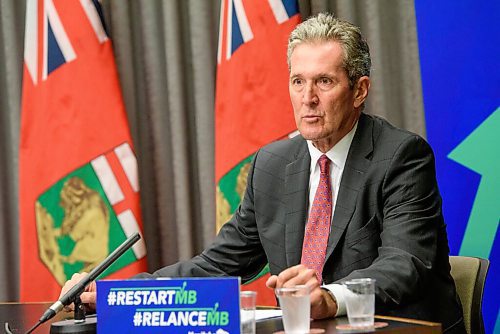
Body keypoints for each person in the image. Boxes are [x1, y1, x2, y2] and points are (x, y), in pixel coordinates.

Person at [61, 13, 465, 333]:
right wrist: (120, 293)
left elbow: (404, 264)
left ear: (359, 90)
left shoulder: (401, 156)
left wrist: (328, 297)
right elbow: (217, 266)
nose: (308, 98)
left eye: (324, 81)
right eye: (297, 81)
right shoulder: (272, 165)